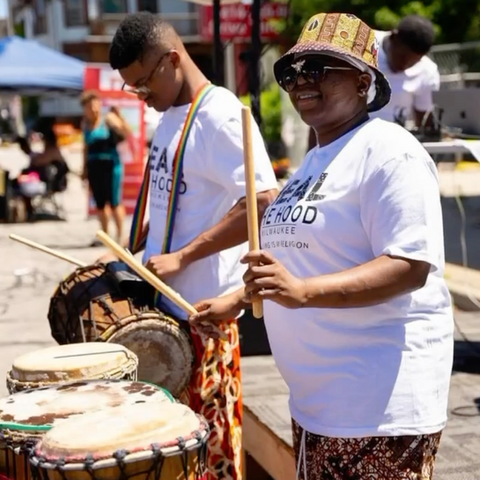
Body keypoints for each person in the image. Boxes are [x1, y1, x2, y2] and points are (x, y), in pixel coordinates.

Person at [190, 12, 454, 480]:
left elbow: (409, 265)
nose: (299, 82)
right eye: (292, 72)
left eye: (317, 68)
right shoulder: (314, 160)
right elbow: (295, 264)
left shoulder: (390, 149)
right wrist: (235, 300)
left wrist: (306, 291)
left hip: (377, 408)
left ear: (362, 80)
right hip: (319, 405)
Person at [107, 12, 278, 480]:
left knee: (213, 452)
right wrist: (148, 237)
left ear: (171, 61)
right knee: (175, 456)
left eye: (143, 83)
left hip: (204, 317)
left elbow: (263, 200)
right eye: (132, 88)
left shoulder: (220, 115)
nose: (141, 97)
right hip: (166, 313)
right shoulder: (170, 116)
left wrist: (183, 256)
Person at [371, 14, 440, 127]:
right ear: (393, 38)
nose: (404, 66)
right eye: (402, 57)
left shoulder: (427, 71)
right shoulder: (362, 45)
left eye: (413, 62)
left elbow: (424, 121)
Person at [81, 90, 131, 246]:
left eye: (95, 106)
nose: (93, 110)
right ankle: (106, 236)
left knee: (115, 201)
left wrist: (120, 117)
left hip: (111, 165)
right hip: (94, 166)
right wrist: (83, 169)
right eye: (89, 107)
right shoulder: (86, 124)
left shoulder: (108, 120)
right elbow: (85, 147)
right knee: (100, 203)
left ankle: (120, 236)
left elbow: (127, 133)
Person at [13, 129, 68, 221]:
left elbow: (39, 161)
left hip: (52, 185)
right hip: (51, 183)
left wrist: (32, 157)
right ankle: (29, 212)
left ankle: (29, 213)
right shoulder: (52, 150)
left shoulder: (52, 150)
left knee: (23, 186)